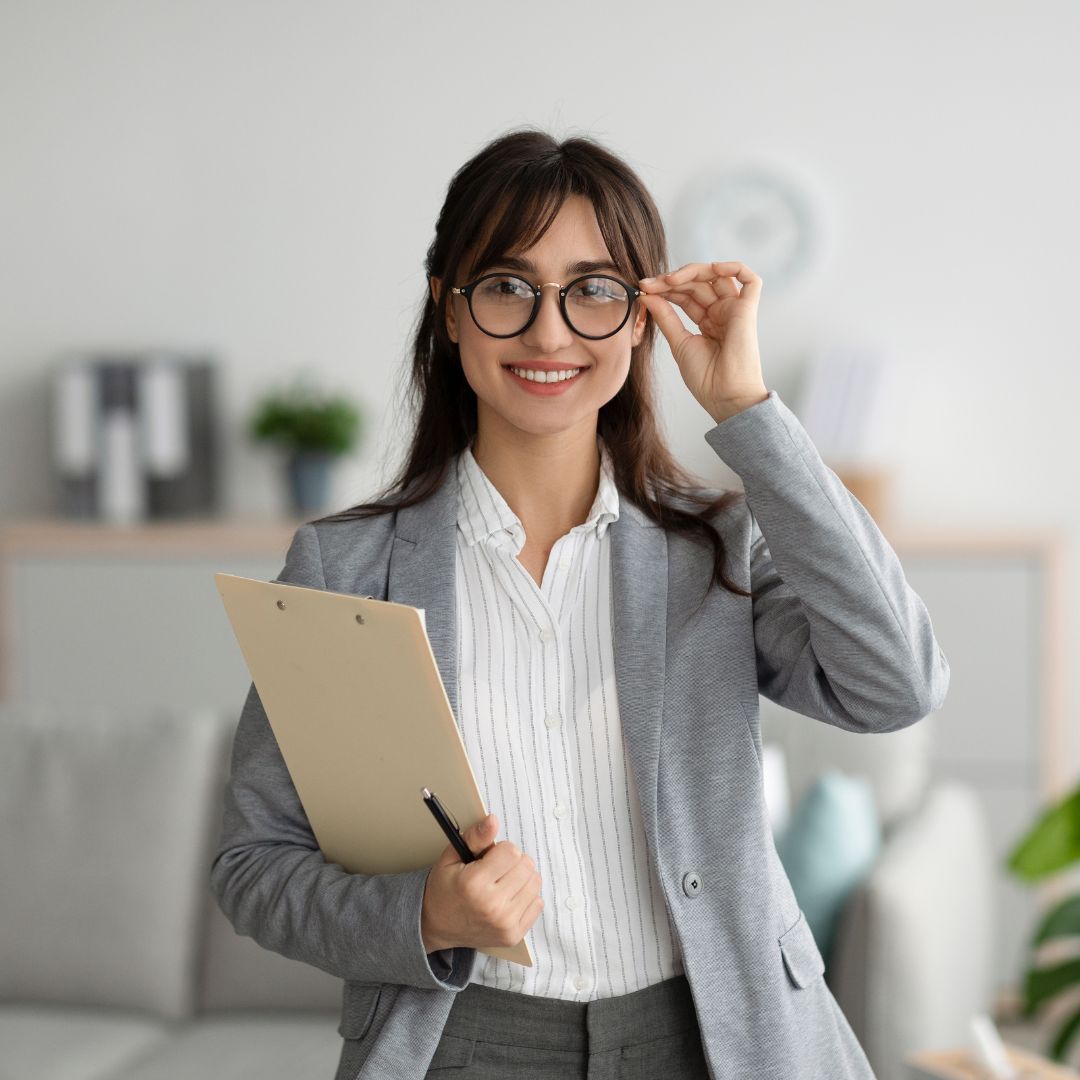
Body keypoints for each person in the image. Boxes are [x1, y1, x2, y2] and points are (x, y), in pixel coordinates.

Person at [210, 127, 949, 1080]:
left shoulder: (715, 548)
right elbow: (255, 865)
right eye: (508, 287)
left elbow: (896, 683)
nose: (550, 333)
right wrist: (422, 916)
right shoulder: (343, 567)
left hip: (710, 1041)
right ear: (450, 312)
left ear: (642, 317)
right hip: (463, 1044)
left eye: (594, 290)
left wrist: (749, 413)